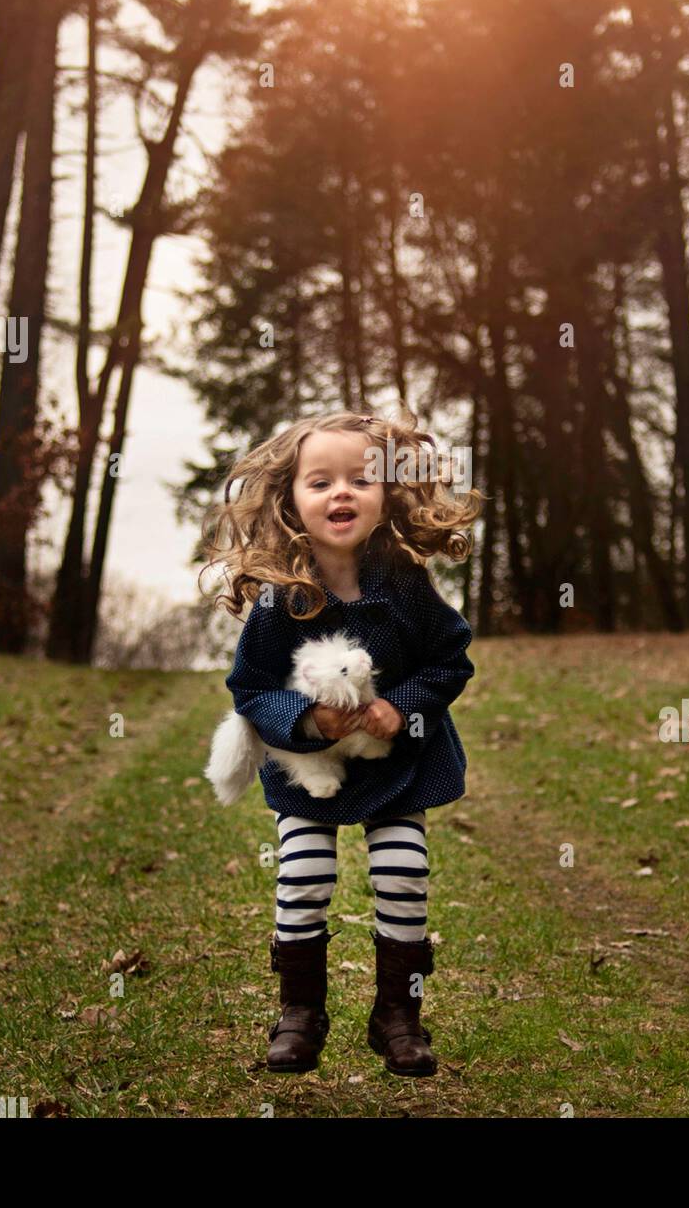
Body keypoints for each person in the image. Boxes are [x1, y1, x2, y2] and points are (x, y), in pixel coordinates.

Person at [200, 409, 482, 1077]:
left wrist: (402, 705)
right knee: (303, 878)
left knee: (404, 872)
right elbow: (251, 687)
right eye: (320, 481)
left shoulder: (406, 586)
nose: (341, 493)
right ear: (291, 500)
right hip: (311, 769)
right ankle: (300, 1011)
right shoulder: (282, 599)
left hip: (398, 764)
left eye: (360, 479)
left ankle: (397, 1014)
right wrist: (305, 719)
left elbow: (451, 659)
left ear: (387, 494)